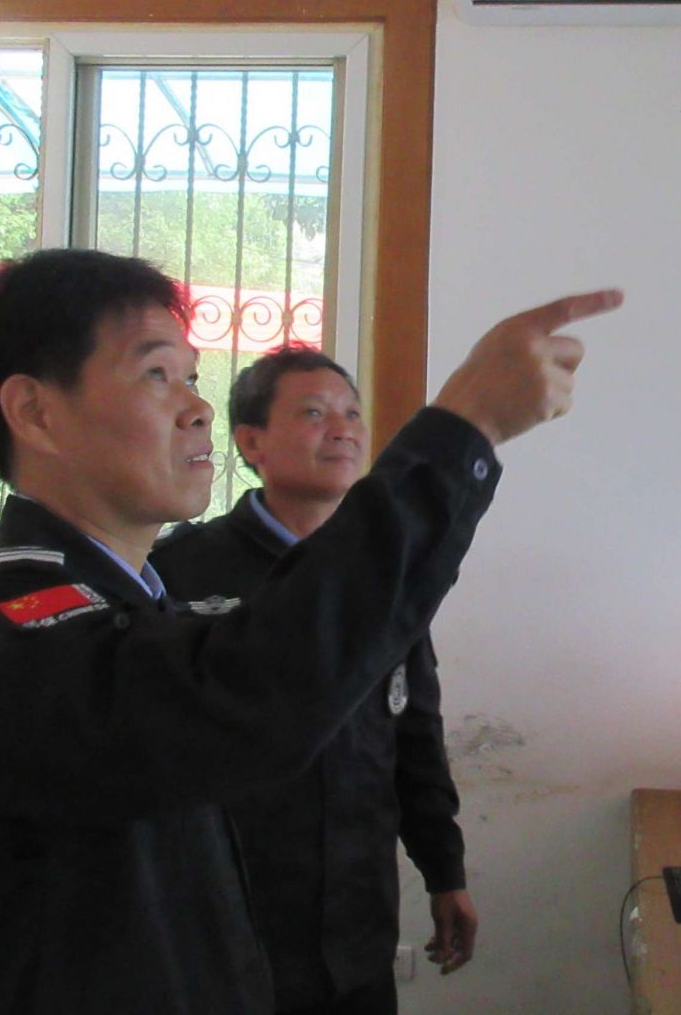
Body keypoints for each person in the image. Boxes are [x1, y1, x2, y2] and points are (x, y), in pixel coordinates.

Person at [0, 248, 621, 1015]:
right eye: (157, 374)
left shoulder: (127, 600)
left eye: (192, 376)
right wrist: (465, 429)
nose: (197, 408)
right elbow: (252, 688)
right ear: (35, 412)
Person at [153, 349, 471, 1015]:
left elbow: (414, 735)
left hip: (357, 932)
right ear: (252, 442)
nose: (343, 429)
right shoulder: (180, 572)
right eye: (314, 413)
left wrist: (445, 873)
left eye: (352, 413)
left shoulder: (381, 579)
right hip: (226, 938)